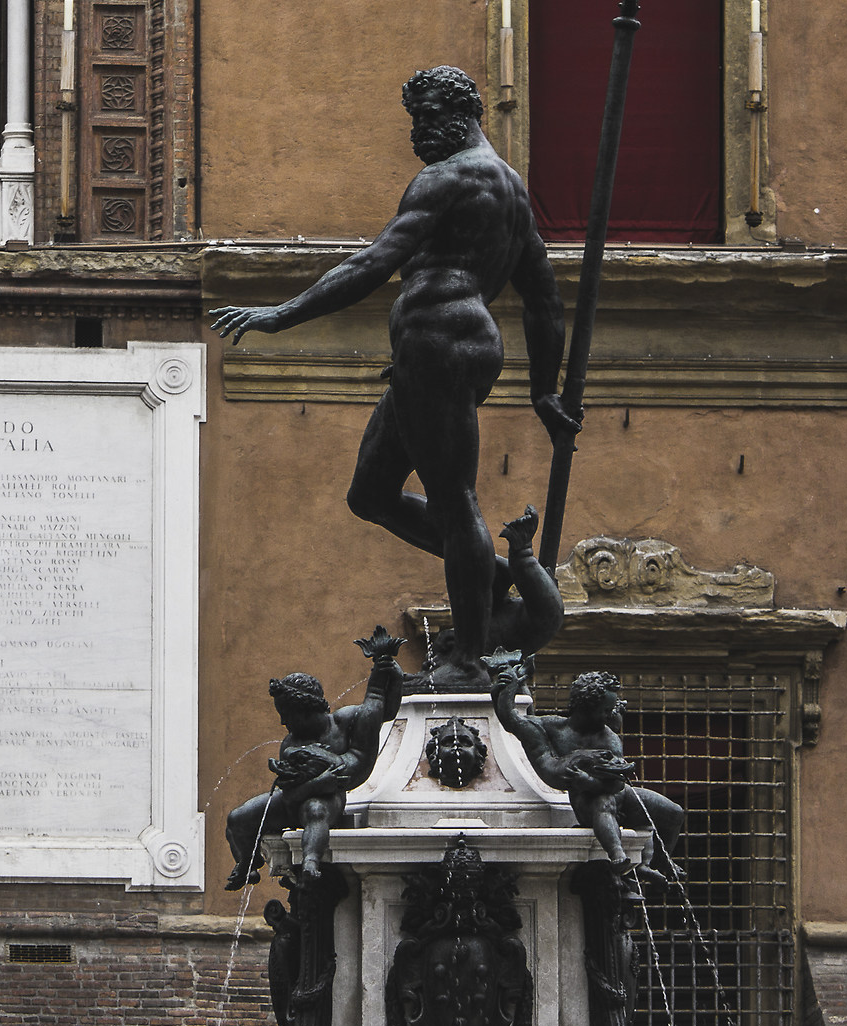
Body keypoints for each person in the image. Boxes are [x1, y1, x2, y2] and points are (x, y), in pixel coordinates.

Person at [208, 67, 577, 686]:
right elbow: (543, 301)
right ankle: (487, 574)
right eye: (414, 120)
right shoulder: (512, 190)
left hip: (441, 339)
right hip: (437, 347)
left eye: (430, 116)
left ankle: (469, 654)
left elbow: (376, 260)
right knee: (370, 494)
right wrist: (543, 387)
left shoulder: (448, 178)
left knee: (454, 498)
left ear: (465, 112)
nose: (419, 132)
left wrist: (282, 314)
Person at [223, 628, 404, 887]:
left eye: (287, 714)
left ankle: (311, 861)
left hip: (329, 799)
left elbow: (382, 711)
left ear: (306, 710)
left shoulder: (345, 721)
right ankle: (247, 863)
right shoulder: (291, 745)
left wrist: (393, 679)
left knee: (315, 809)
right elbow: (292, 796)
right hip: (297, 798)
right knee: (237, 818)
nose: (283, 721)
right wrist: (319, 783)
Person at [489, 661, 683, 883]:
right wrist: (502, 691)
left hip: (614, 791)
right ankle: (617, 856)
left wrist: (588, 780)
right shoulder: (555, 728)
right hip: (587, 801)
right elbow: (513, 721)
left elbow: (617, 783)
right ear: (586, 707)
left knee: (673, 813)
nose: (610, 715)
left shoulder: (608, 737)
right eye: (605, 710)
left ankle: (654, 864)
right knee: (604, 803)